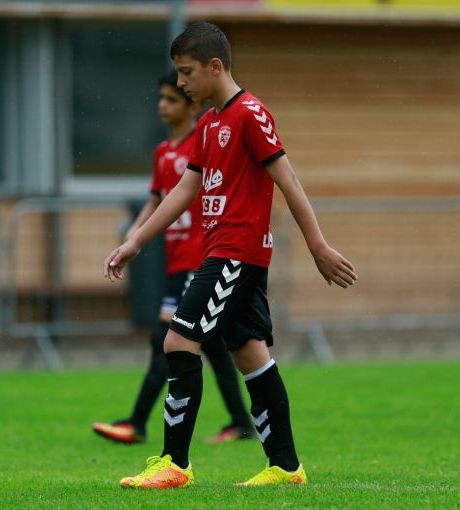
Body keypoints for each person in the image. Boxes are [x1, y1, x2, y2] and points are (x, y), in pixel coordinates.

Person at [103, 22, 357, 488]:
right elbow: (185, 189)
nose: (181, 82)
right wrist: (136, 240)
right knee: (250, 356)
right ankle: (286, 467)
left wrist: (317, 245)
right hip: (221, 253)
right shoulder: (208, 123)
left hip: (235, 254)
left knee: (178, 343)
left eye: (187, 72)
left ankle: (174, 464)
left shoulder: (250, 114)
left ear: (215, 66)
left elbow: (288, 180)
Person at [92, 70, 254, 446]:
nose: (163, 106)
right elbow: (156, 199)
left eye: (172, 99)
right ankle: (241, 422)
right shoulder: (163, 152)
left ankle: (136, 423)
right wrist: (134, 234)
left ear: (192, 106)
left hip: (200, 261)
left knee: (163, 339)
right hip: (176, 261)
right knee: (212, 345)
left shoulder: (203, 142)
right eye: (161, 98)